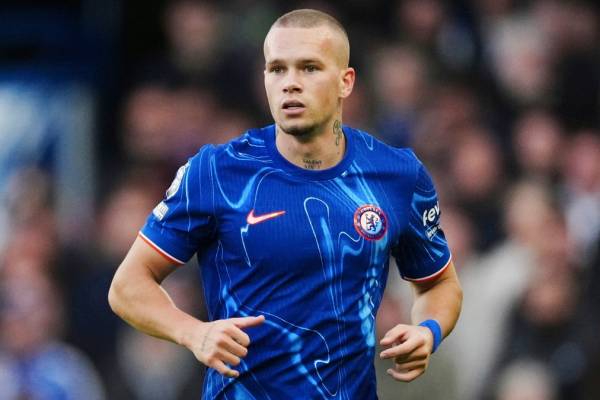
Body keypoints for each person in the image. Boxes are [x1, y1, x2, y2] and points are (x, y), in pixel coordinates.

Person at [109, 9, 462, 399]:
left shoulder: (397, 175)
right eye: (277, 69)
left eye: (309, 68)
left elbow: (439, 283)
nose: (290, 83)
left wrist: (428, 330)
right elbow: (127, 286)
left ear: (345, 82)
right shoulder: (216, 172)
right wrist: (193, 332)